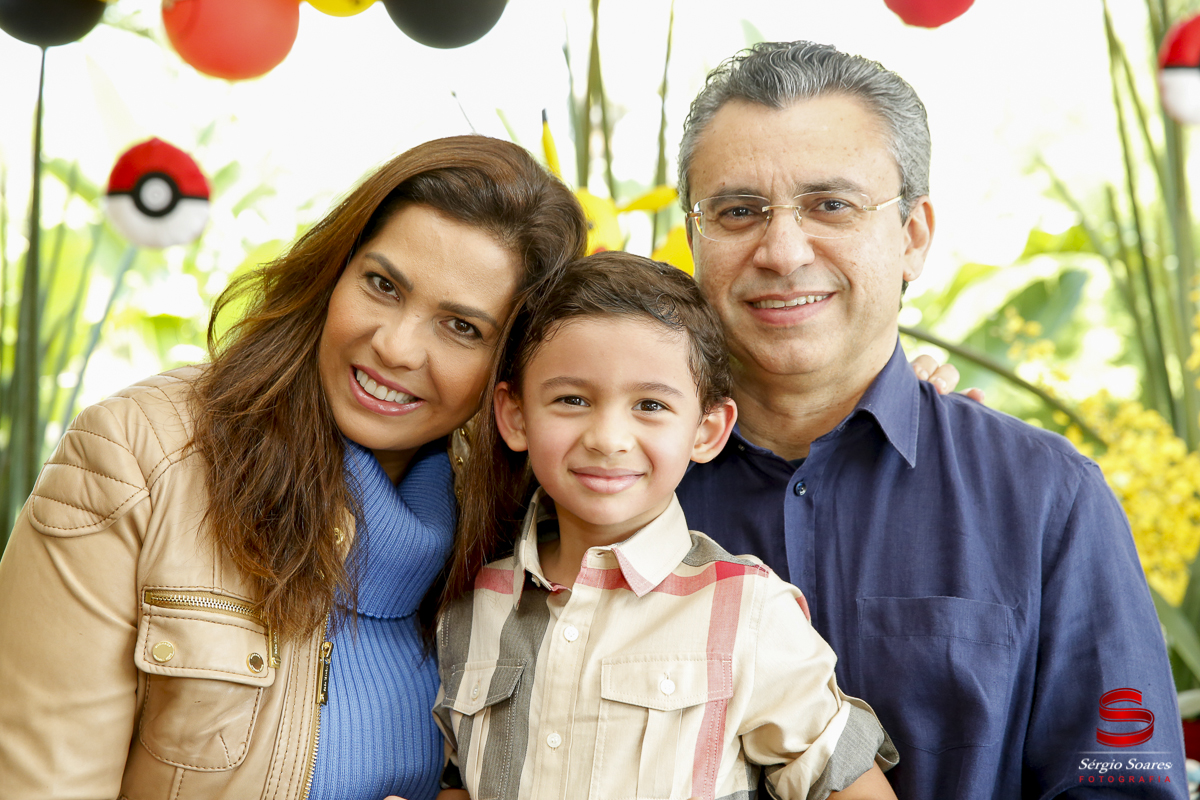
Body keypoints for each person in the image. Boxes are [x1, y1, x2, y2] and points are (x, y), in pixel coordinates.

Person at [0, 135, 588, 800]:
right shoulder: (140, 457)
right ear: (331, 273)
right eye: (382, 285)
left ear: (508, 372)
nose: (395, 346)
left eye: (461, 328)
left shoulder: (511, 539)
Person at [673, 40, 1187, 798]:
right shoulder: (609, 493)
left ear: (912, 236)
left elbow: (1122, 786)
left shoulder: (1046, 498)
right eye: (739, 211)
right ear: (694, 238)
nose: (782, 251)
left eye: (831, 205)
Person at [434, 251, 899, 800]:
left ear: (706, 430)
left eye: (650, 405)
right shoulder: (469, 609)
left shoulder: (744, 610)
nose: (608, 438)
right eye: (572, 399)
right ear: (515, 416)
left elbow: (847, 783)